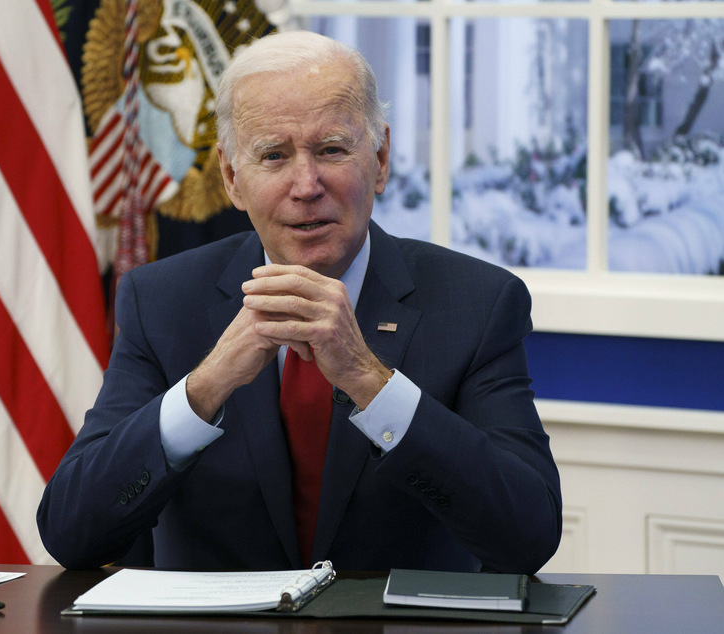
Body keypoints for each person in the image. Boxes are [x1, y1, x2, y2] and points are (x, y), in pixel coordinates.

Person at [37, 30, 562, 574]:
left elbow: (528, 535)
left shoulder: (477, 303)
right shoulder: (161, 302)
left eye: (331, 150)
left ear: (380, 159)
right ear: (231, 178)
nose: (306, 184)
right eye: (274, 155)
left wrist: (370, 381)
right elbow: (72, 534)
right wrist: (207, 385)